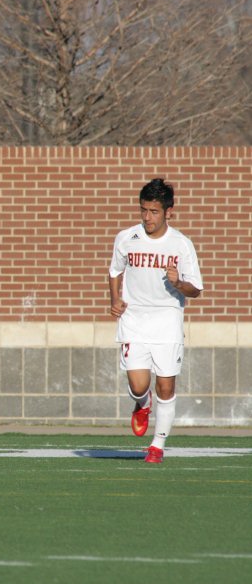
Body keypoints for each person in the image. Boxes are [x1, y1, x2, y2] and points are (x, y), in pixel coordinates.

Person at [108, 178, 203, 464]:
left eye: (154, 212)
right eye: (143, 210)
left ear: (168, 212)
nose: (147, 217)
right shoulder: (126, 237)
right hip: (134, 319)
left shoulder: (181, 244)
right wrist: (115, 300)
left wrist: (178, 283)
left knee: (166, 386)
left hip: (167, 321)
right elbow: (114, 272)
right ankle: (142, 403)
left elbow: (195, 290)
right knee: (139, 385)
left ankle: (157, 446)